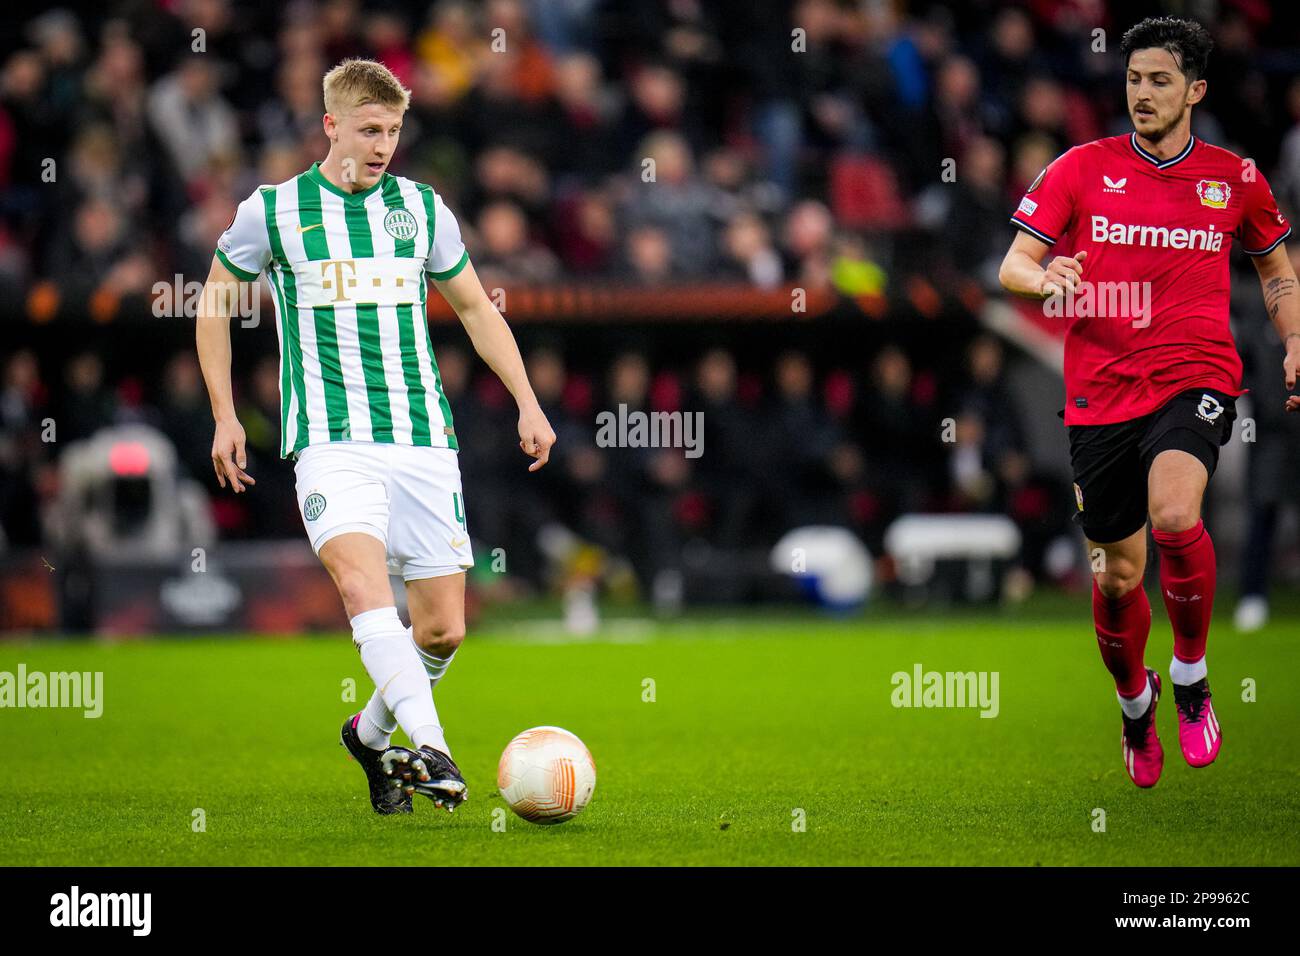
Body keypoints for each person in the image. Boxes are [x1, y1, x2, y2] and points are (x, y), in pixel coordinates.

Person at [195, 59, 556, 814]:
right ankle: (435, 750)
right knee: (365, 589)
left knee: (444, 630)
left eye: (393, 130)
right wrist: (226, 414)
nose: (383, 143)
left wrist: (526, 399)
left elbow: (477, 310)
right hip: (330, 441)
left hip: (423, 438)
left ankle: (369, 735)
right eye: (368, 129)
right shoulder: (274, 210)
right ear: (330, 126)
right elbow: (214, 304)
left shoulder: (422, 210)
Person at [997, 18, 1298, 788]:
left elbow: (1277, 273)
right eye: (1133, 79)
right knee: (1118, 578)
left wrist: (1295, 341)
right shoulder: (1081, 168)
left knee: (1174, 515)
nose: (1142, 93)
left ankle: (1191, 675)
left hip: (1196, 373)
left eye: (1160, 80)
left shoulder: (1235, 178)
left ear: (1195, 90)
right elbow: (1014, 266)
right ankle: (1137, 706)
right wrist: (1048, 278)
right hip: (1099, 393)